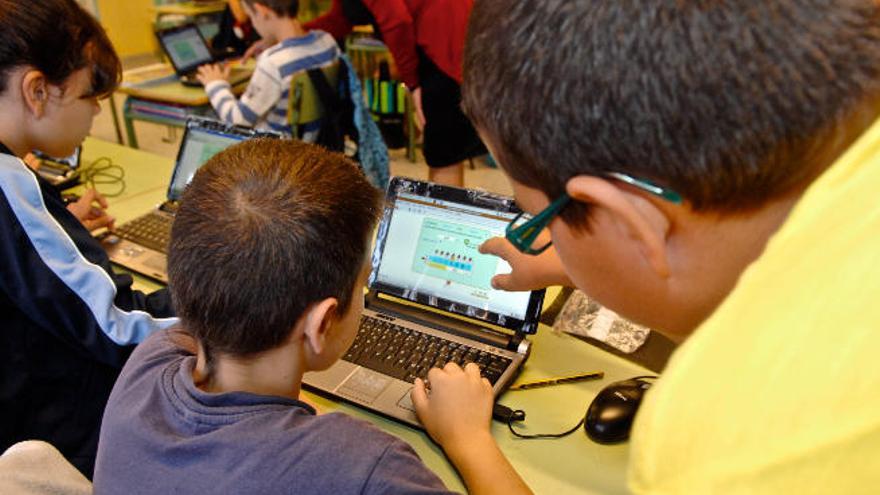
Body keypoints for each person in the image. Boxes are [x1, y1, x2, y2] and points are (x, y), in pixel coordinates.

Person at [414, 0, 880, 494]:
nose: (548, 244)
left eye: (535, 222)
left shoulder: (741, 449)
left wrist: (469, 441)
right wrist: (564, 263)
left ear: (634, 227)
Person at [93, 139, 530, 495]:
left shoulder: (149, 361)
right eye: (363, 286)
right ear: (321, 325)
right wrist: (468, 438)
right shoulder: (365, 469)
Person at [0, 0, 177, 478]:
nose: (97, 111)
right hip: (59, 444)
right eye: (88, 95)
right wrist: (237, 301)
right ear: (37, 90)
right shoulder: (9, 183)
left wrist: (54, 226)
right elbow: (118, 326)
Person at [305, 0, 487, 187]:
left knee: (445, 153)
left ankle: (444, 213)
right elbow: (341, 19)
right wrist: (294, 33)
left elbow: (397, 22)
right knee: (447, 149)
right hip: (447, 39)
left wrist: (412, 82)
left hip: (444, 46)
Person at [197, 0, 341, 138]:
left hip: (274, 151)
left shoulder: (273, 62)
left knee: (205, 116)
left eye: (251, 16)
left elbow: (238, 120)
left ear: (262, 11)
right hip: (315, 142)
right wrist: (274, 42)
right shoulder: (327, 41)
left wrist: (215, 84)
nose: (253, 24)